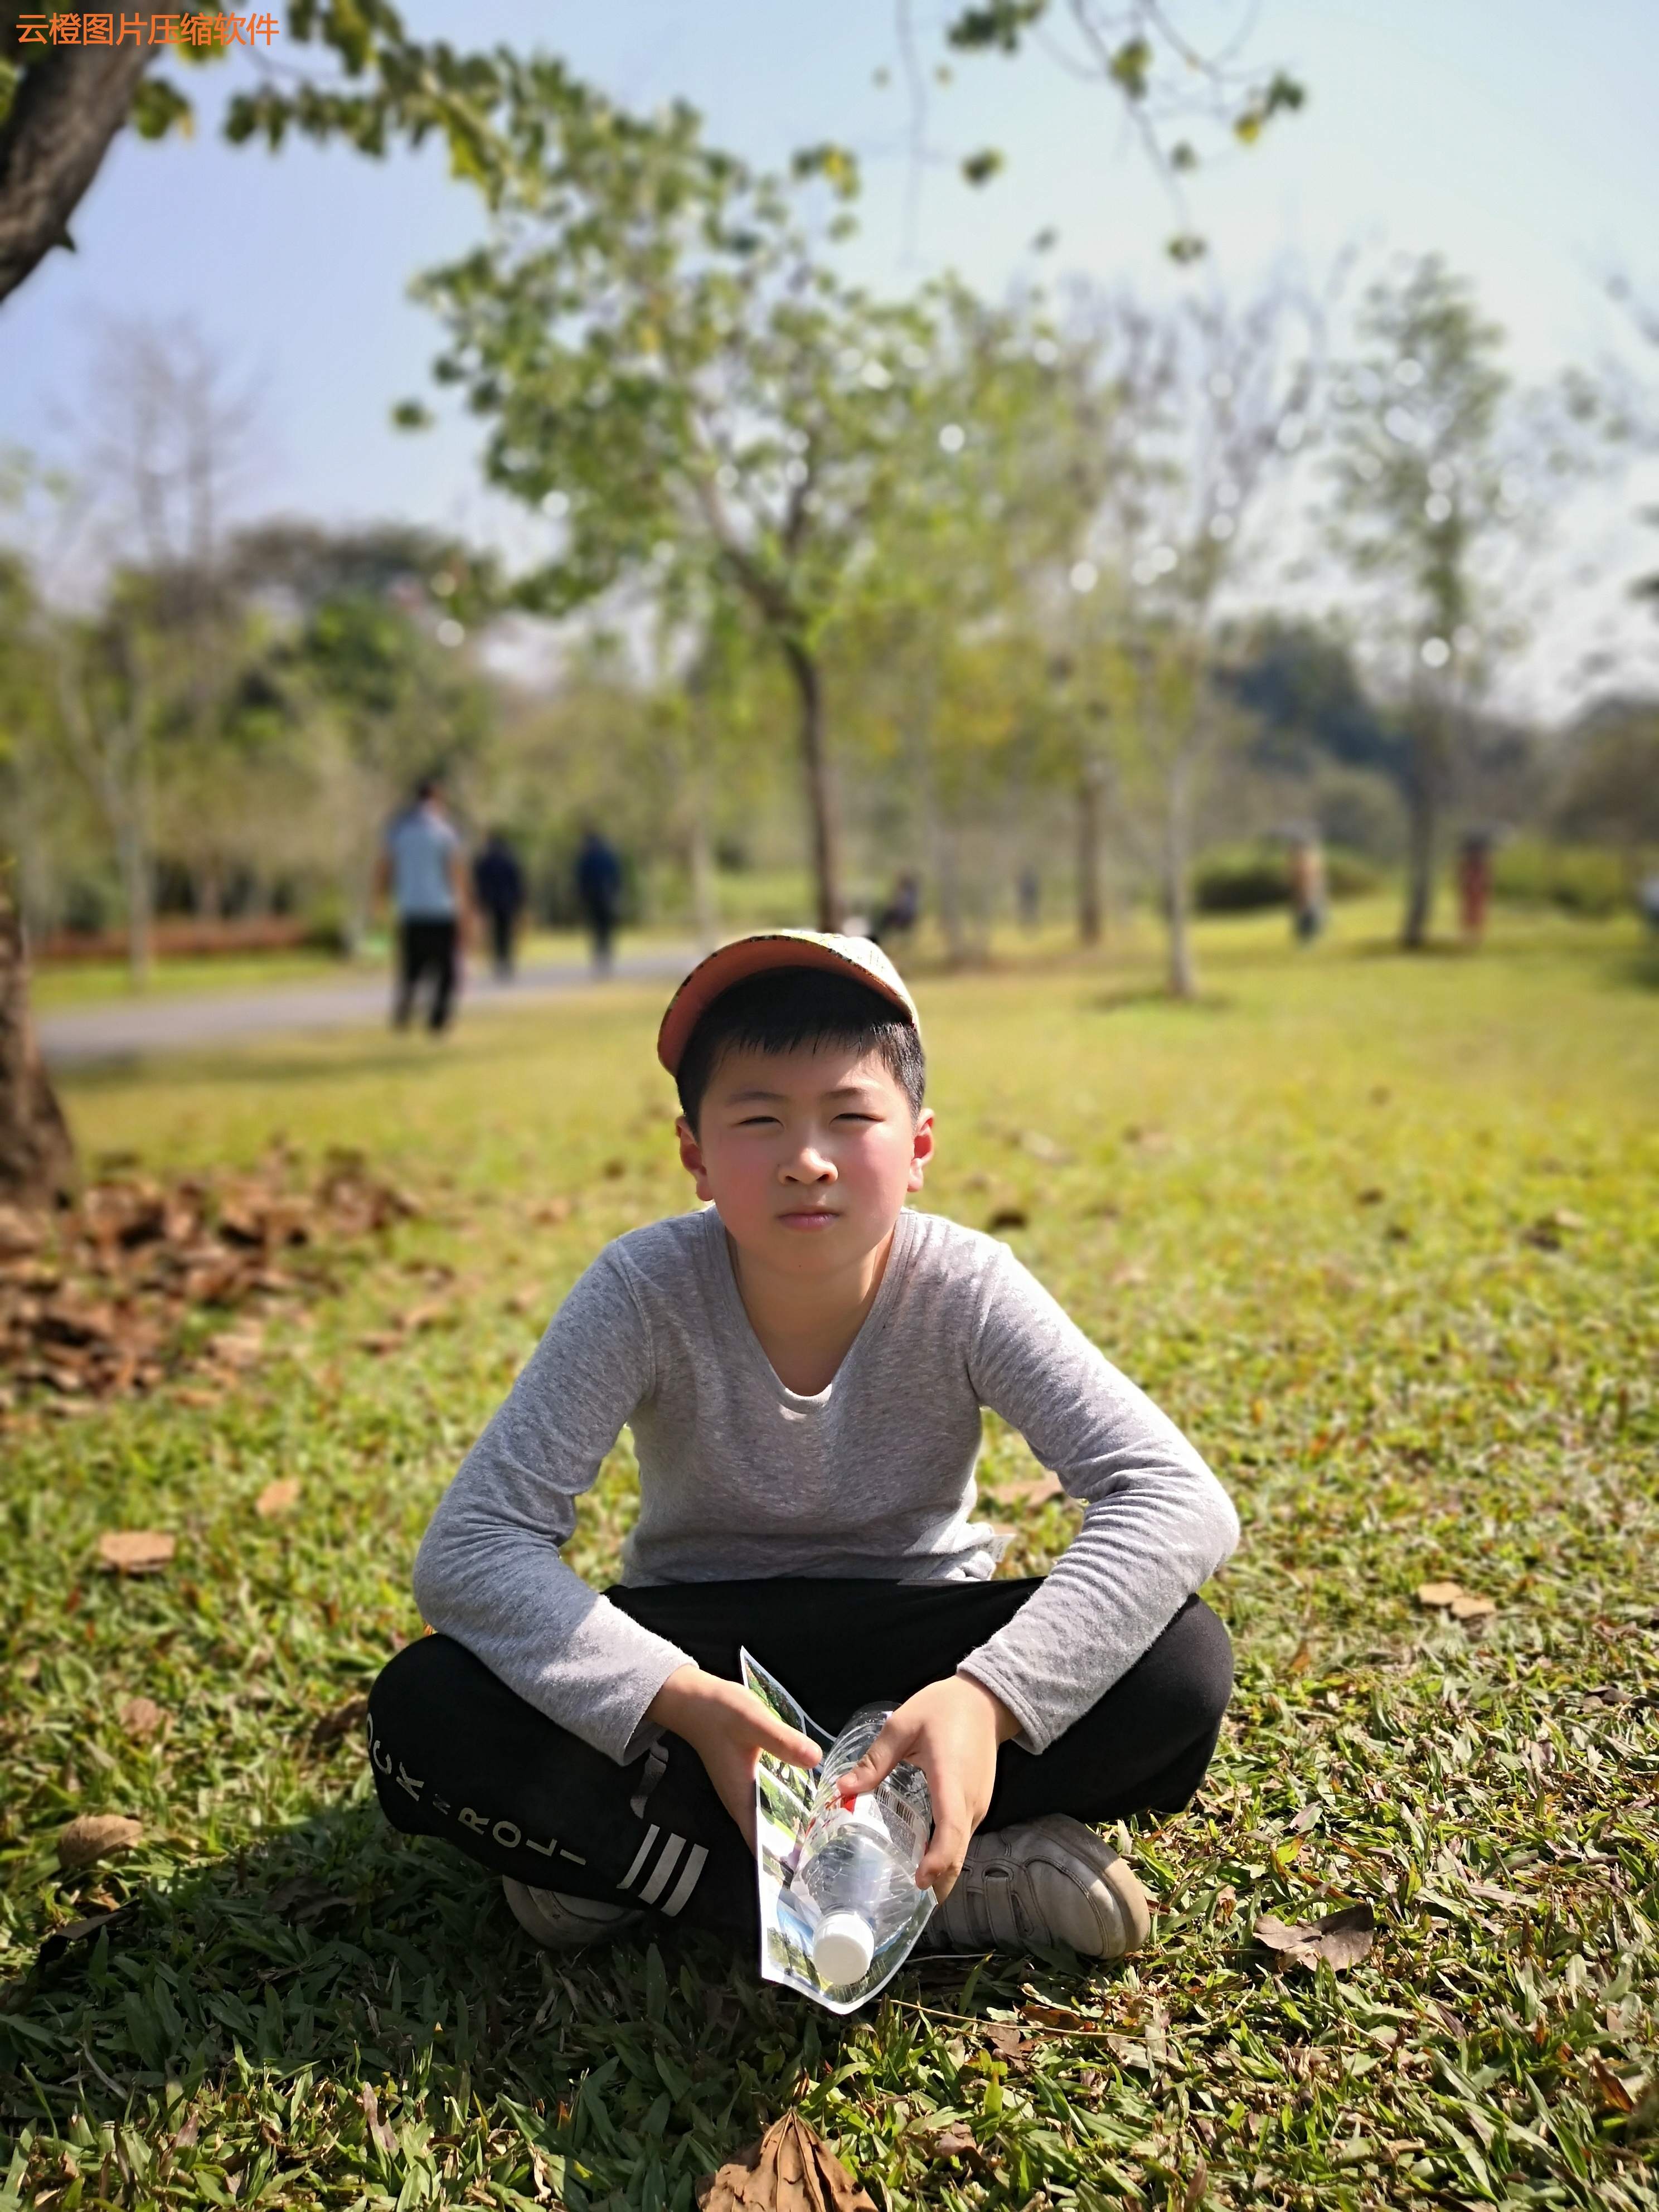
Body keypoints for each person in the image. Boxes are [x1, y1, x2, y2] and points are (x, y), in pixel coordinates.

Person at [367, 932, 1237, 1962]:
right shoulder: (641, 1290)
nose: (807, 1158)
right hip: (705, 1652)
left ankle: (625, 1863)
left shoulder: (967, 1287)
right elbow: (472, 1548)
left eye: (850, 1116)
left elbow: (1175, 1498)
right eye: (759, 1118)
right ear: (694, 1153)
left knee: (1182, 1669)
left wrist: (985, 1699)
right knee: (424, 1709)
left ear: (919, 1147)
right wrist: (686, 1702)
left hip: (914, 1649)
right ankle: (927, 1891)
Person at [377, 776, 466, 1034]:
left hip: (410, 908)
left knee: (411, 968)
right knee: (446, 969)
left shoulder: (399, 830)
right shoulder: (444, 831)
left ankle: (404, 1012)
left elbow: (385, 868)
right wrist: (464, 906)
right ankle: (438, 1018)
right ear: (438, 799)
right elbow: (454, 871)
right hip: (440, 908)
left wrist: (381, 899)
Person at [472, 830, 527, 982]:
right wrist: (520, 901)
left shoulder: (485, 860)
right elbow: (517, 882)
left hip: (492, 900)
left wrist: (480, 901)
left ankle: (499, 961)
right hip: (508, 901)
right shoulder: (510, 859)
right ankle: (506, 961)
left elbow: (479, 882)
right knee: (506, 932)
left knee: (496, 932)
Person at [575, 827, 623, 975]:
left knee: (598, 929)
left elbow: (581, 879)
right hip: (605, 896)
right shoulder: (607, 856)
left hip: (594, 898)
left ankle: (601, 958)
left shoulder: (587, 857)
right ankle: (604, 958)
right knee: (604, 930)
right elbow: (616, 877)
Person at [1288, 832, 1327, 944]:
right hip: (1303, 892)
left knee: (1310, 913)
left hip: (1309, 891)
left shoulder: (1308, 860)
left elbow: (1314, 876)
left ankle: (1311, 936)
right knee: (1305, 914)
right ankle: (1307, 937)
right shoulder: (1300, 861)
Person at [1458, 831, 1495, 945]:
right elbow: (1462, 875)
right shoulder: (1467, 861)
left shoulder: (1482, 862)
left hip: (1478, 888)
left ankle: (1475, 935)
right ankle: (1469, 935)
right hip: (1470, 887)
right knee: (1469, 910)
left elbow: (1487, 876)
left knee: (1477, 910)